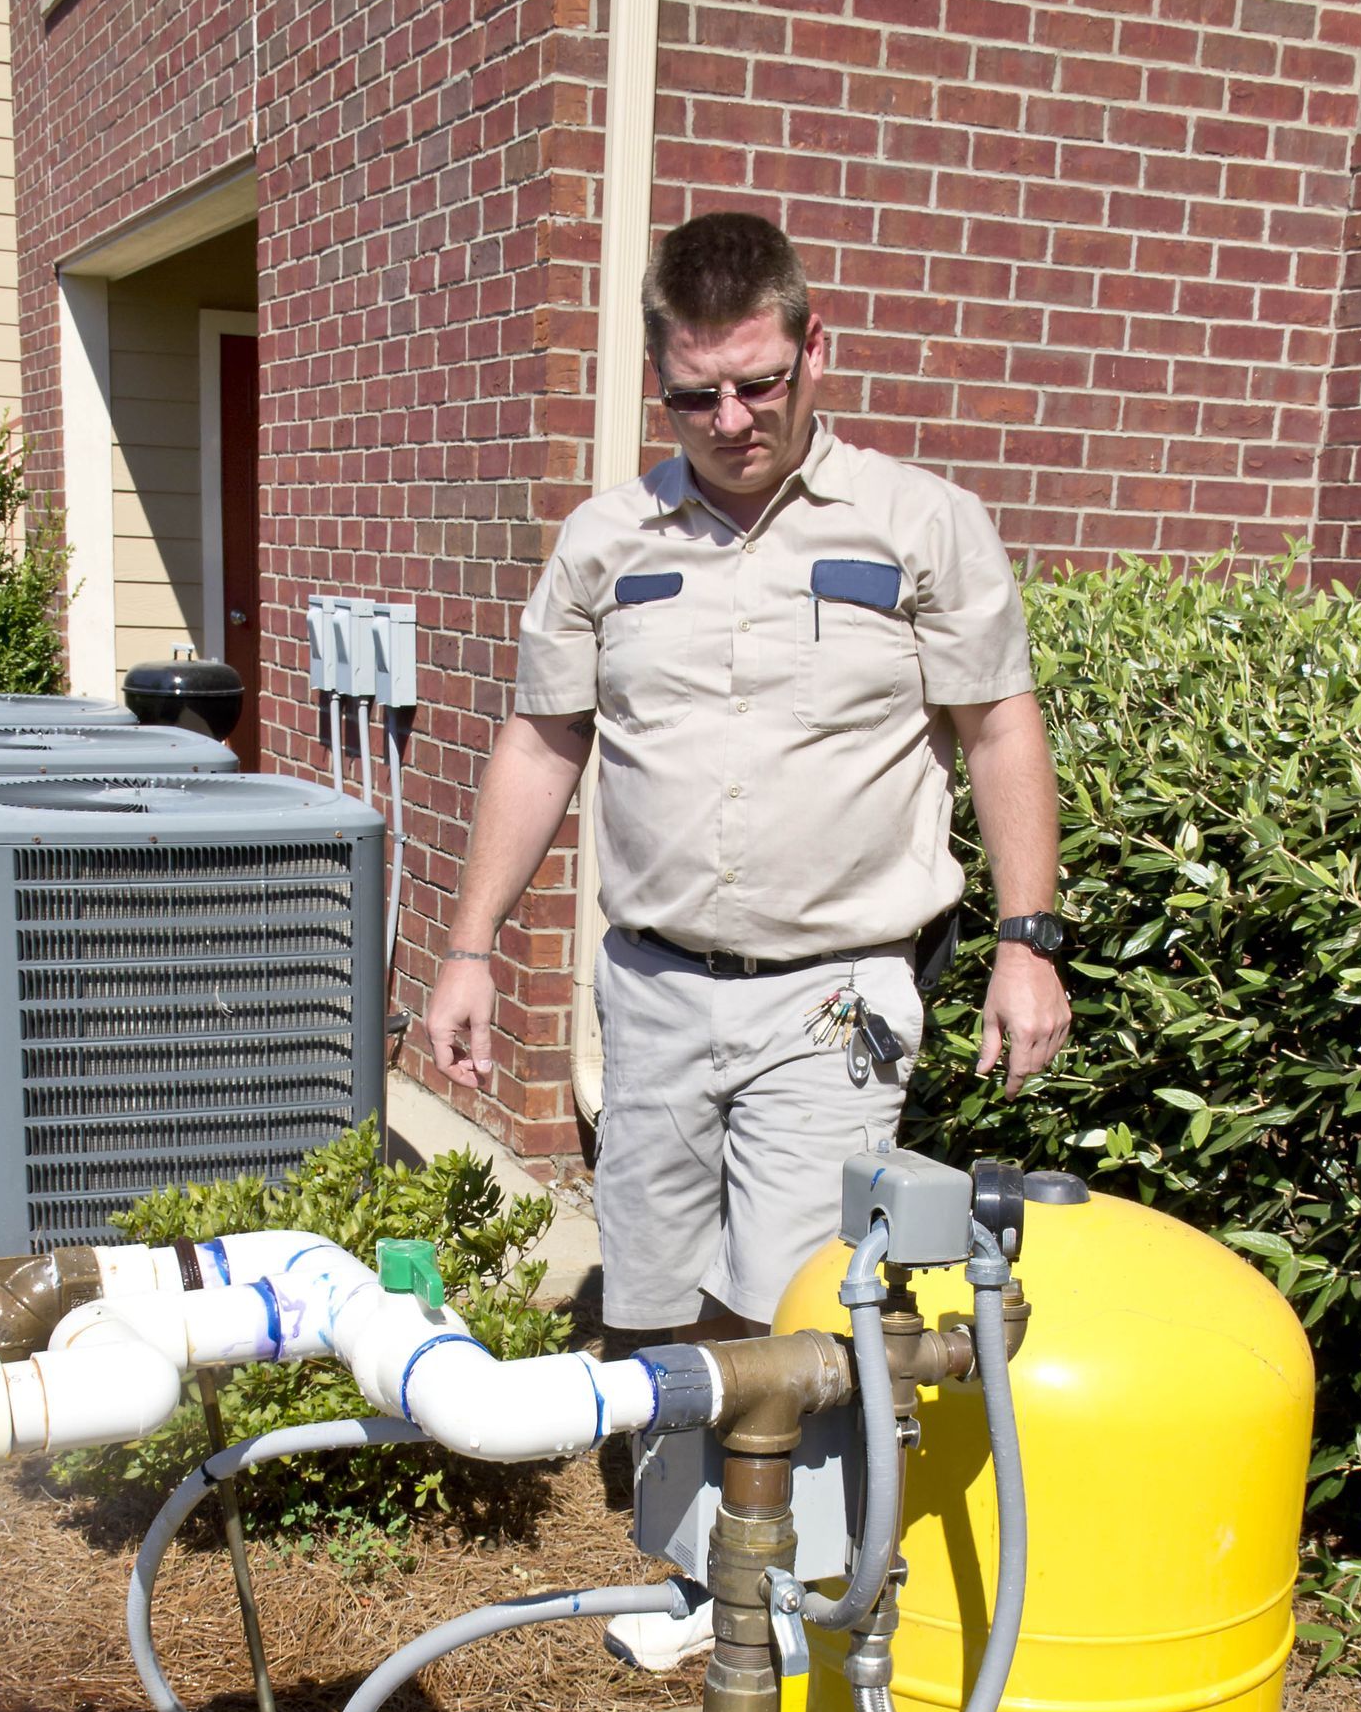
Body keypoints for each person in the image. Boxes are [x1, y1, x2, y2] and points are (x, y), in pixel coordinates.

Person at [425, 209, 1070, 1350]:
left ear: (815, 349)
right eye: (693, 396)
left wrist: (1029, 941)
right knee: (649, 1297)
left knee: (802, 1313)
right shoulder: (603, 543)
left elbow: (998, 729)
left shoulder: (921, 526)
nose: (730, 422)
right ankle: (681, 1528)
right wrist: (470, 947)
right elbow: (541, 743)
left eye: (760, 386)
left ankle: (799, 1529)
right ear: (659, 381)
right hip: (655, 989)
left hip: (835, 998)